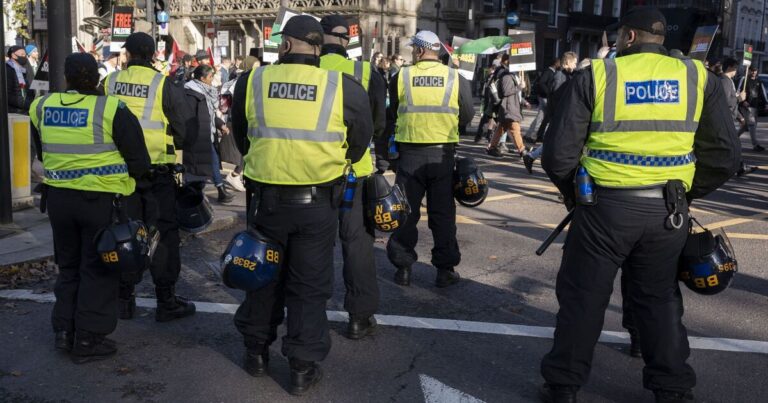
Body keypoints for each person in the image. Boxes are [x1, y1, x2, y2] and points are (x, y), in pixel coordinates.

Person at [538, 7, 740, 403]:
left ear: (628, 37)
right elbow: (724, 156)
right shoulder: (700, 78)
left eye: (617, 37)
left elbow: (558, 154)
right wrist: (685, 191)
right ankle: (672, 388)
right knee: (659, 297)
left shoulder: (596, 76)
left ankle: (563, 386)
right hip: (667, 211)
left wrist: (575, 194)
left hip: (603, 209)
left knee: (584, 297)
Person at [230, 15, 373, 395]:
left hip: (266, 202)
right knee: (309, 286)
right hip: (317, 203)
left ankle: (255, 352)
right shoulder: (342, 86)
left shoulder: (253, 81)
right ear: (319, 46)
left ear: (288, 45)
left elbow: (240, 136)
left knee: (261, 276)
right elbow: (360, 141)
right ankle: (301, 367)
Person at [29, 53, 151, 363]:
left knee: (68, 266)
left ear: (66, 78)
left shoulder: (42, 106)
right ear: (97, 78)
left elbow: (42, 152)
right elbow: (138, 160)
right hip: (99, 202)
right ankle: (88, 338)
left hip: (58, 200)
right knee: (97, 268)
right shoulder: (111, 108)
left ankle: (64, 331)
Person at [104, 32, 195, 322]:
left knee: (124, 232)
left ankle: (123, 299)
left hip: (120, 170)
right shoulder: (163, 84)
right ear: (153, 54)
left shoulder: (109, 81)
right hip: (157, 173)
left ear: (127, 55)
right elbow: (183, 128)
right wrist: (172, 145)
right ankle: (165, 300)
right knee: (163, 234)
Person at [386, 30, 474, 288]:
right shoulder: (454, 77)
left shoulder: (401, 76)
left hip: (409, 154)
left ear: (420, 51)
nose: (412, 53)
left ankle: (403, 268)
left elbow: (392, 113)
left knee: (406, 213)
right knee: (443, 213)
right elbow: (468, 114)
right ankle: (445, 270)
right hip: (441, 155)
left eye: (414, 49)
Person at [319, 14, 387, 340]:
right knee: (356, 243)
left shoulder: (305, 69)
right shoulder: (365, 71)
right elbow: (378, 123)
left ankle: (308, 311)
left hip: (309, 173)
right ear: (347, 40)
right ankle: (359, 317)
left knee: (310, 245)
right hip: (352, 173)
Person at [185, 64, 234, 203]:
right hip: (197, 134)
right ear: (202, 78)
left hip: (207, 132)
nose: (213, 79)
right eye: (210, 76)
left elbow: (210, 114)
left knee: (209, 162)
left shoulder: (207, 91)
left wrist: (219, 124)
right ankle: (218, 191)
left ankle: (218, 190)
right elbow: (190, 115)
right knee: (204, 164)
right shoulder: (191, 92)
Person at [523, 51, 578, 173]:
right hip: (558, 115)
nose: (575, 65)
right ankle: (534, 158)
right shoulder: (559, 76)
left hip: (560, 115)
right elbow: (556, 97)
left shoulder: (567, 76)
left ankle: (531, 156)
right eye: (574, 63)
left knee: (554, 140)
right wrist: (559, 114)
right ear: (568, 62)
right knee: (556, 140)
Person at [721, 58, 759, 176]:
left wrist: (739, 117)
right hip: (725, 120)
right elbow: (727, 101)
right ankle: (739, 167)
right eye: (735, 69)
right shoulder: (725, 81)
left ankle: (739, 167)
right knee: (733, 145)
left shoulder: (728, 80)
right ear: (730, 68)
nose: (736, 71)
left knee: (731, 145)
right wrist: (739, 98)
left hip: (728, 119)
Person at [487, 53, 525, 158]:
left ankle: (492, 147)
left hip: (508, 106)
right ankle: (523, 151)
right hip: (509, 106)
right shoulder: (506, 75)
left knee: (501, 127)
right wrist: (519, 87)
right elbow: (506, 91)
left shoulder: (507, 73)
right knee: (515, 128)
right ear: (508, 61)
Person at [524, 58, 560, 144]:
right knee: (548, 117)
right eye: (559, 63)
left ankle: (531, 135)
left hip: (545, 97)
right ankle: (535, 135)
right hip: (545, 98)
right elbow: (541, 82)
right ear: (555, 63)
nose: (560, 65)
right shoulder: (548, 72)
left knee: (541, 117)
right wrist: (548, 92)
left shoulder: (552, 72)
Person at [736, 66, 767, 152]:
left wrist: (766, 103)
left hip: (755, 106)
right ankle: (755, 145)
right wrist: (743, 101)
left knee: (745, 126)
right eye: (752, 71)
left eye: (755, 71)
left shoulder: (759, 81)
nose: (753, 72)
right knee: (752, 125)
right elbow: (738, 92)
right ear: (749, 71)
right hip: (746, 106)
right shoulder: (744, 80)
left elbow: (762, 93)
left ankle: (732, 139)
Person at [6, 45, 31, 114]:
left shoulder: (23, 70)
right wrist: (25, 103)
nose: (24, 57)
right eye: (22, 54)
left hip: (24, 110)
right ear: (13, 55)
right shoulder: (8, 70)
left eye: (25, 55)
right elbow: (7, 95)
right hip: (13, 111)